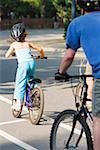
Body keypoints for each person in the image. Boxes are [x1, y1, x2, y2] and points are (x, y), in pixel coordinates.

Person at [55, 0, 100, 150]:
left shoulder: (77, 24)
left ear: (81, 8)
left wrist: (61, 73)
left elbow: (69, 56)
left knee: (98, 120)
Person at [5, 23, 45, 111]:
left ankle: (18, 104)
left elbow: (7, 55)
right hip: (31, 63)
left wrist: (13, 53)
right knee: (31, 78)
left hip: (23, 65)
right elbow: (41, 50)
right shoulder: (28, 43)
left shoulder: (14, 45)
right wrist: (41, 56)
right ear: (25, 34)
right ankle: (36, 92)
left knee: (20, 84)